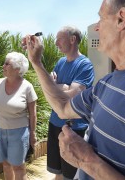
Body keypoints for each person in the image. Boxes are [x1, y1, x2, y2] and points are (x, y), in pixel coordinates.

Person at [23, 0, 125, 180]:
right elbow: (62, 106)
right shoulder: (107, 83)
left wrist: (88, 162)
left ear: (122, 18)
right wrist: (36, 62)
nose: (96, 28)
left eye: (101, 18)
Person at [47, 26, 94, 180]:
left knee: (71, 175)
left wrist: (56, 87)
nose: (56, 43)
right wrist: (63, 87)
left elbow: (73, 94)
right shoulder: (61, 62)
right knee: (58, 172)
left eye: (59, 39)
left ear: (72, 39)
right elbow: (49, 88)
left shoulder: (85, 64)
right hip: (55, 123)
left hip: (73, 128)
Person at [0, 52, 38, 180]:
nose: (3, 66)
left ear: (17, 69)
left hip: (19, 132)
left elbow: (33, 114)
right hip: (0, 130)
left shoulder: (27, 87)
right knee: (5, 165)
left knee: (18, 167)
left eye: (7, 64)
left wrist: (32, 133)